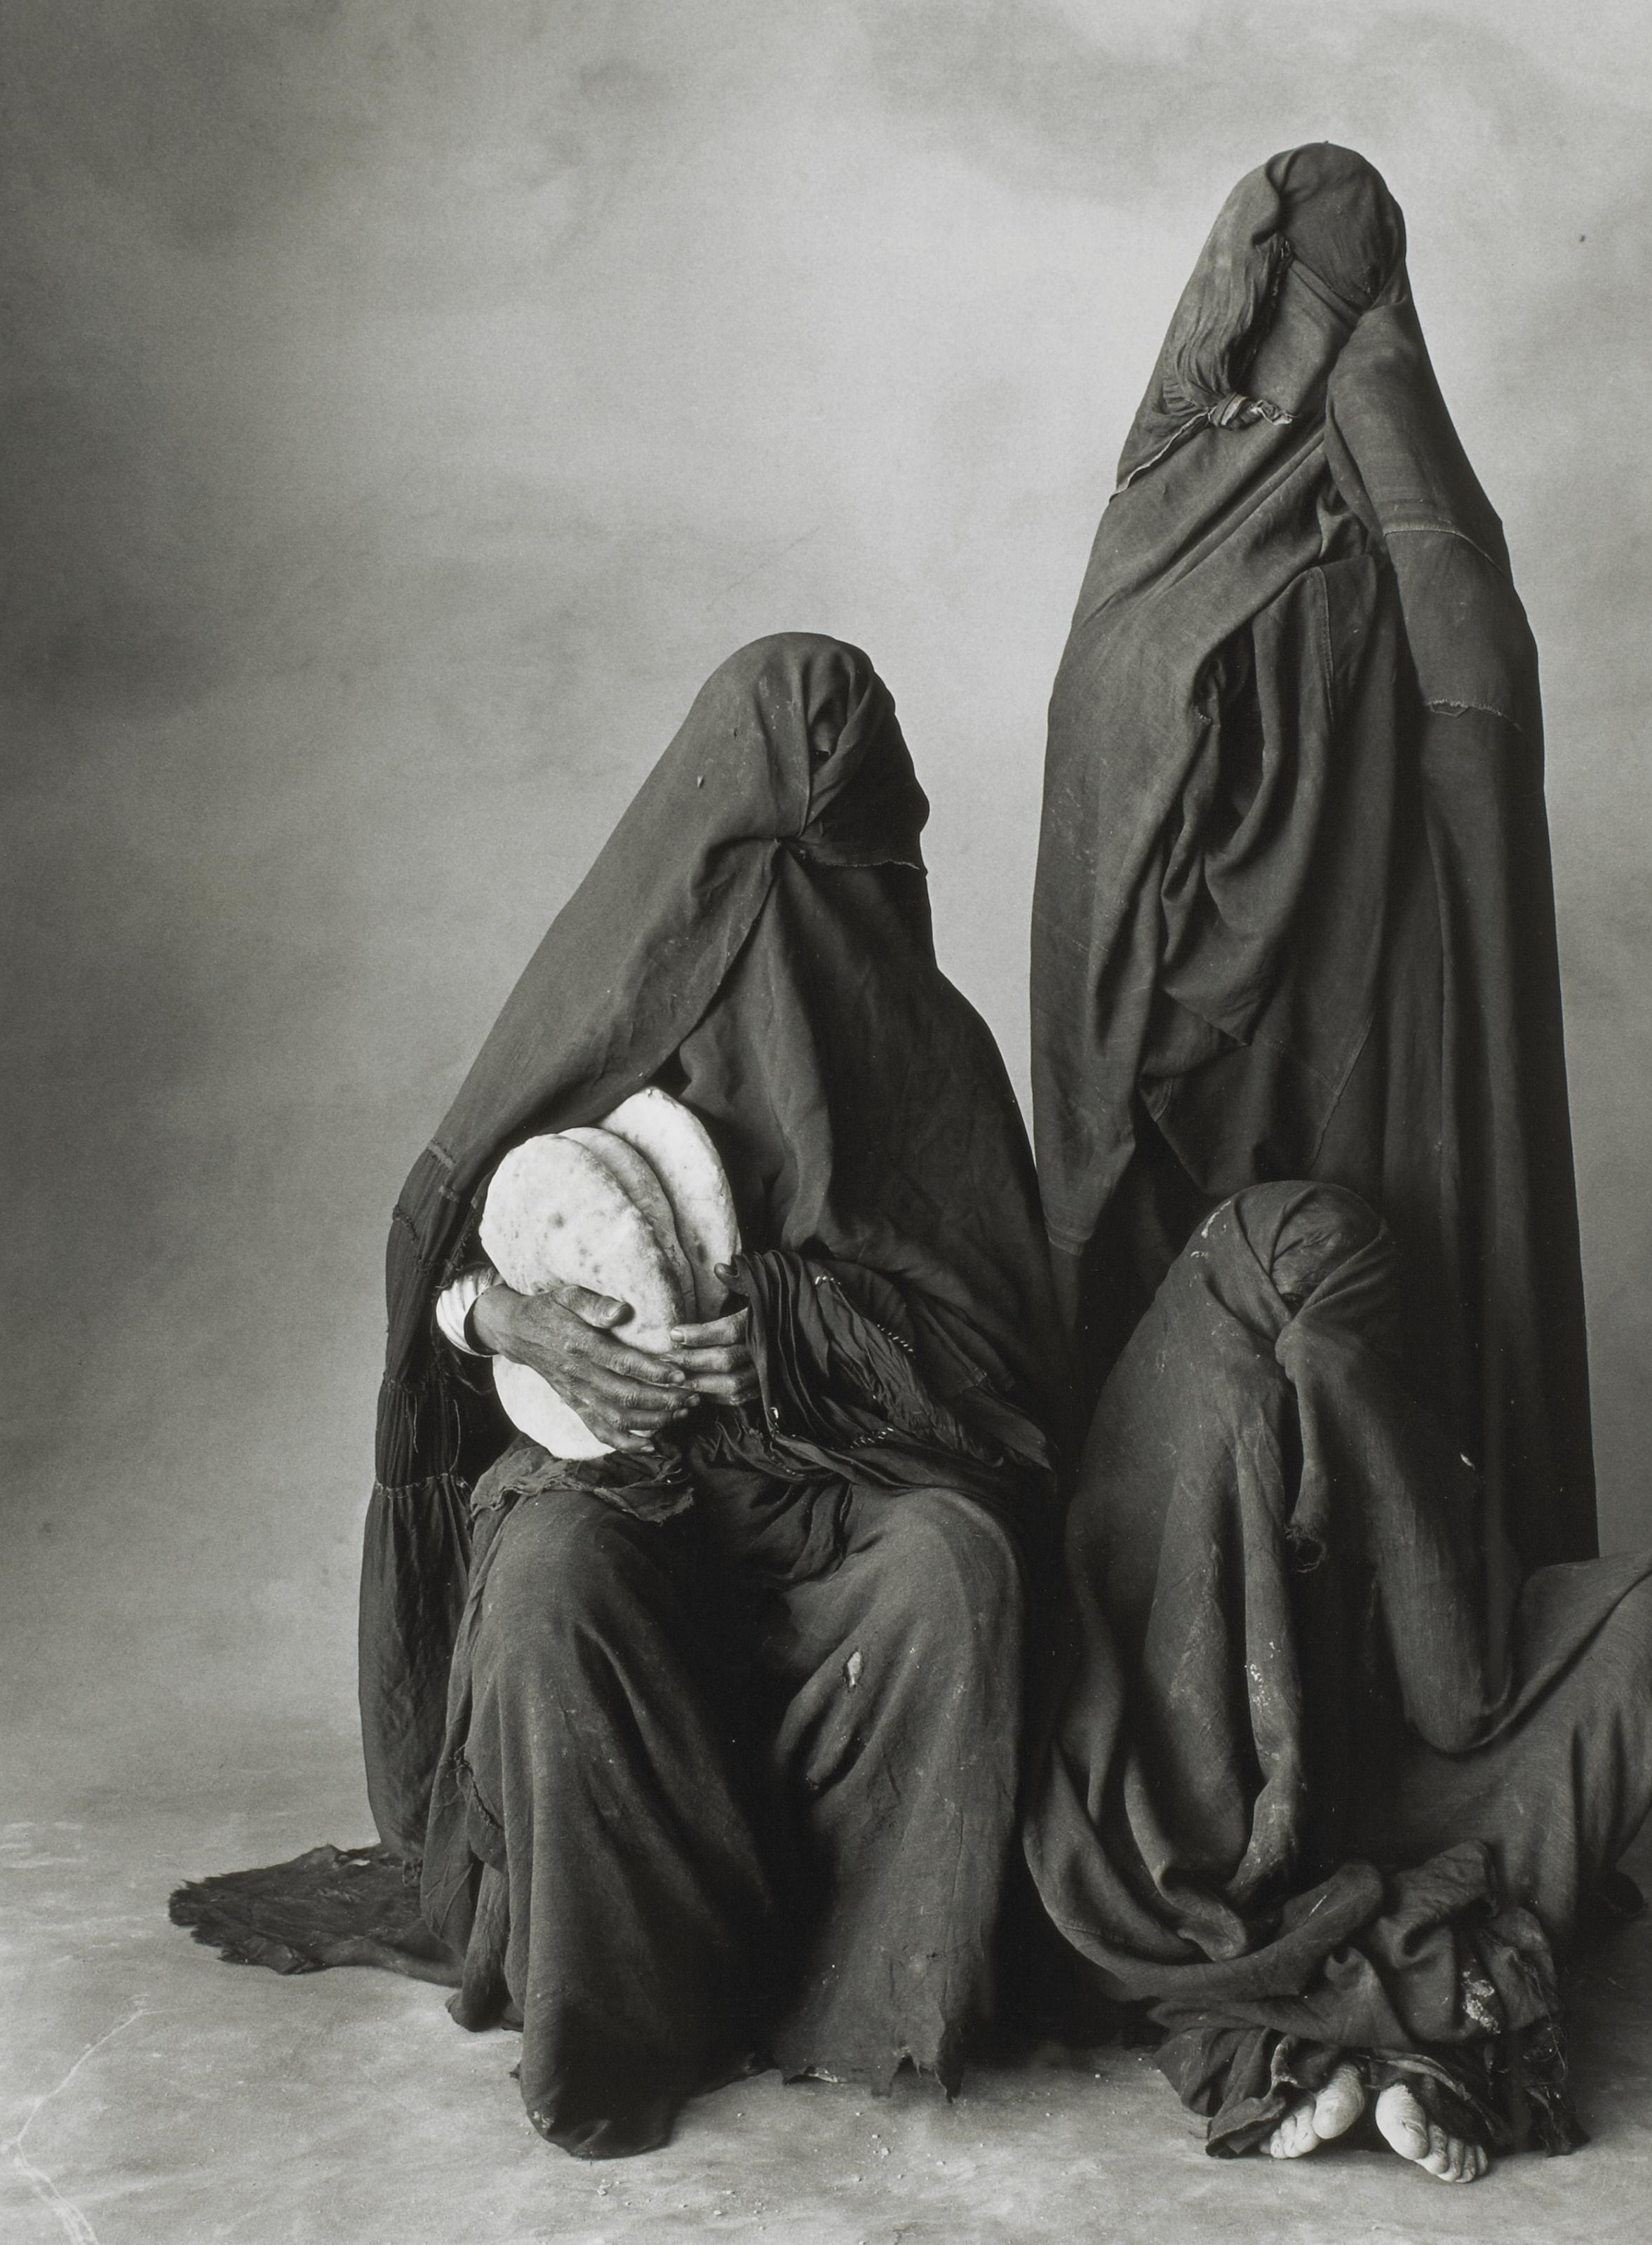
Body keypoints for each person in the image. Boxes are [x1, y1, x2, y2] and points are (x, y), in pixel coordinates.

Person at [183, 635, 1065, 2159]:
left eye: (834, 853)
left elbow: (1003, 1371)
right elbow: (444, 1250)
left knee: (961, 1571)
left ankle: (863, 2001)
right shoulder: (613, 994)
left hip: (849, 1496)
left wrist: (788, 1335)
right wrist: (520, 1319)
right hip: (631, 1486)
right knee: (546, 1584)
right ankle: (627, 2017)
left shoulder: (937, 1054)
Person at [1029, 143, 1597, 1578]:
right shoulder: (1198, 493)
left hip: (1322, 1000)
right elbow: (1124, 726)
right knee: (1239, 1341)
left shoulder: (1247, 486)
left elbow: (1461, 691)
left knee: (1342, 1321)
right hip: (1193, 1026)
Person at [1024, 1183, 1652, 2183]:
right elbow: (1456, 1701)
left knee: (1646, 1618)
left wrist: (1358, 1423)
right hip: (1268, 1859)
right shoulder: (1238, 1414)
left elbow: (1457, 1696)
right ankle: (1406, 2050)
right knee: (1650, 1620)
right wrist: (1343, 1396)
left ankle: (1344, 2051)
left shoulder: (1285, 1380)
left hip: (1367, 1809)